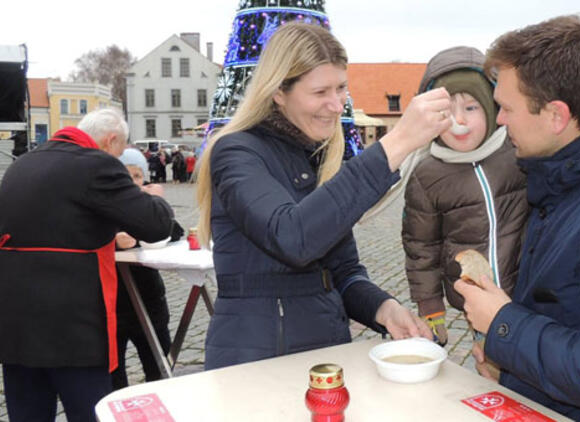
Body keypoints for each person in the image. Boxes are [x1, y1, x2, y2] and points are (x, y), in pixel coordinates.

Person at [197, 23, 453, 370]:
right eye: (320, 92)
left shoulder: (317, 156)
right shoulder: (237, 152)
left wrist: (384, 308)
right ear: (278, 92)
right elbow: (292, 237)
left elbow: (342, 271)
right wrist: (398, 142)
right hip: (255, 361)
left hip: (325, 353)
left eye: (341, 88)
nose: (336, 105)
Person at [454, 15, 580, 421]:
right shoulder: (566, 169)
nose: (499, 120)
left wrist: (504, 325)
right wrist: (513, 374)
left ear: (556, 115)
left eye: (506, 108)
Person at [0, 108, 174, 422]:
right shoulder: (95, 165)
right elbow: (155, 225)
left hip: (16, 331)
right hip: (75, 332)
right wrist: (156, 196)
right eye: (119, 154)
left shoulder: (22, 164)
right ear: (110, 141)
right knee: (91, 413)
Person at [402, 46, 528, 347]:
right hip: (476, 302)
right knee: (489, 363)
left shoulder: (516, 151)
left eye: (471, 108)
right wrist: (430, 307)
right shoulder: (426, 175)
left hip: (529, 292)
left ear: (490, 106)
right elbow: (421, 247)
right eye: (447, 113)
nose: (458, 122)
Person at [111, 148, 184, 390]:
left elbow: (174, 231)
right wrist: (115, 241)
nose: (133, 183)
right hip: (113, 305)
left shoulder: (147, 207)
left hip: (149, 299)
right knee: (114, 376)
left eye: (138, 177)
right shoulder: (104, 204)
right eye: (127, 177)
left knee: (159, 368)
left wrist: (156, 204)